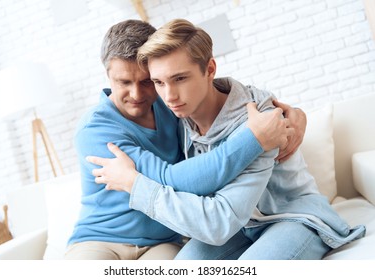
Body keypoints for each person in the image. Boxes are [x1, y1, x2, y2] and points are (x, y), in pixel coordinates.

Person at [91, 19, 366, 260]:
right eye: (159, 82)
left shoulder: (259, 121)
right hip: (240, 228)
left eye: (180, 78)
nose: (169, 95)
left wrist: (134, 185)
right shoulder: (175, 113)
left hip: (292, 216)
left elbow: (217, 222)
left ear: (210, 68)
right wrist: (298, 114)